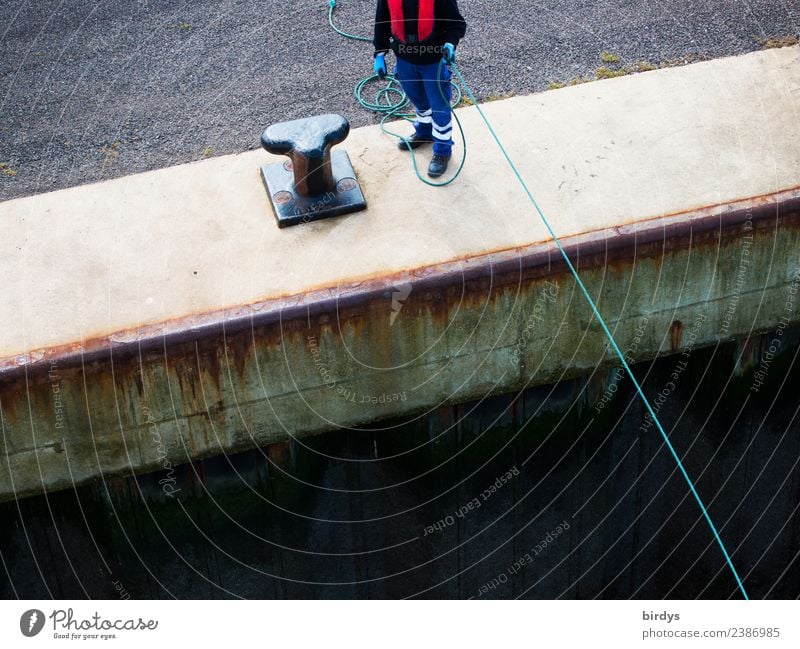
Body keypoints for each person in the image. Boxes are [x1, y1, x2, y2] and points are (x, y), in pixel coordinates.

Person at [373, 0, 466, 178]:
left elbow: (456, 24)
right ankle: (424, 132)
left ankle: (442, 150)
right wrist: (379, 54)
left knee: (439, 106)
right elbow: (382, 22)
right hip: (404, 59)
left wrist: (450, 44)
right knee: (418, 99)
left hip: (432, 62)